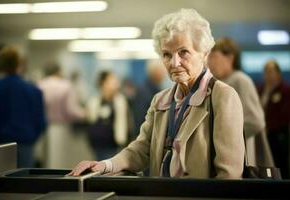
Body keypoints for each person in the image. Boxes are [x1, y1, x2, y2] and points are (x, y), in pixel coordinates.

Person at [68, 8, 245, 179]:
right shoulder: (161, 100)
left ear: (203, 53)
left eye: (183, 52)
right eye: (167, 55)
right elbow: (141, 148)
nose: (174, 63)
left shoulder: (222, 96)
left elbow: (229, 173)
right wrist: (105, 165)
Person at [208, 37, 274, 167]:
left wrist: (226, 135)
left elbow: (256, 121)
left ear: (230, 58)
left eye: (214, 56)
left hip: (242, 155)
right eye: (209, 57)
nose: (210, 62)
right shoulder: (218, 83)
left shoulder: (240, 80)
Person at [0, 46, 46, 168]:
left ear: (2, 65)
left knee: (0, 183)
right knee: (23, 183)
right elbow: (41, 122)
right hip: (26, 143)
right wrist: (31, 138)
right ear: (20, 64)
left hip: (1, 145)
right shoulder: (34, 90)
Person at [38, 62, 85, 168]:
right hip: (61, 127)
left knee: (45, 159)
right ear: (58, 71)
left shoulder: (40, 85)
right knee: (60, 159)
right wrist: (85, 114)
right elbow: (71, 110)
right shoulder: (66, 85)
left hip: (43, 127)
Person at [86, 71, 129, 160]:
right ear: (103, 83)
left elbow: (125, 124)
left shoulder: (120, 101)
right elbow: (91, 121)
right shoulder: (94, 101)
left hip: (115, 144)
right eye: (112, 81)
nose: (116, 83)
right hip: (98, 144)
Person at [258, 60, 290, 178]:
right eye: (266, 71)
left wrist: (268, 127)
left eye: (271, 71)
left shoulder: (285, 90)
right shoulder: (260, 89)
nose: (268, 74)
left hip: (278, 135)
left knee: (279, 163)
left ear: (278, 73)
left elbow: (285, 115)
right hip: (262, 133)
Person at [133, 59, 166, 135]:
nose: (164, 73)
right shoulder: (144, 91)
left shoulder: (156, 89)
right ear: (155, 72)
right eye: (162, 70)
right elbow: (140, 119)